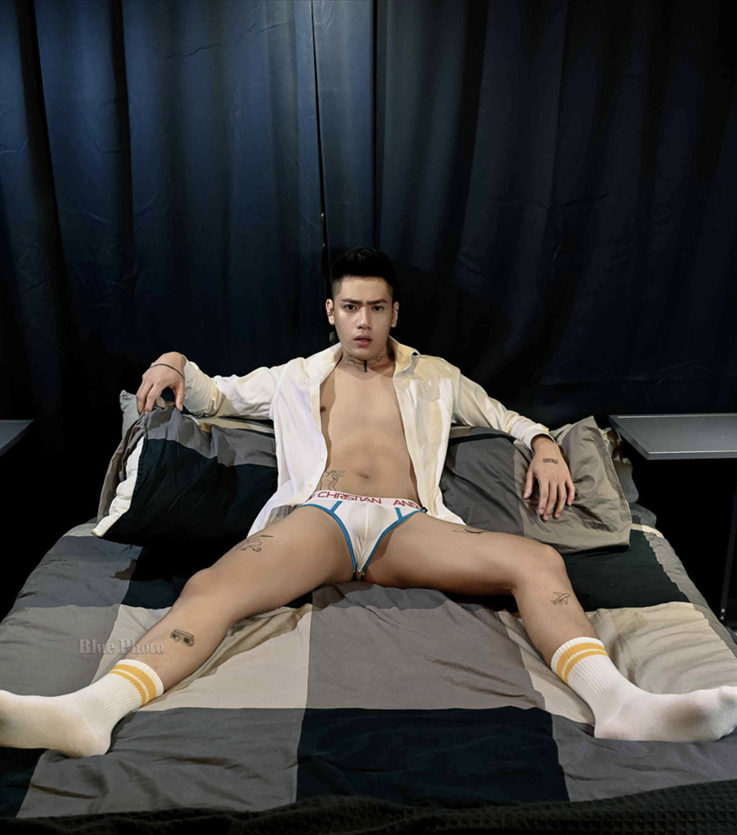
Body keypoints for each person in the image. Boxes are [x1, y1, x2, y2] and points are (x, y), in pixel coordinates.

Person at [1, 248, 736, 757]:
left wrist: (544, 443)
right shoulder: (295, 376)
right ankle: (92, 710)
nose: (362, 321)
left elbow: (506, 418)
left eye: (375, 308)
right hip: (320, 516)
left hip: (407, 526)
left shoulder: (435, 376)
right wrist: (169, 361)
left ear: (393, 312)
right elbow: (213, 394)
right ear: (331, 311)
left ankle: (618, 703)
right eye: (350, 307)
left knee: (537, 561)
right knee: (213, 584)